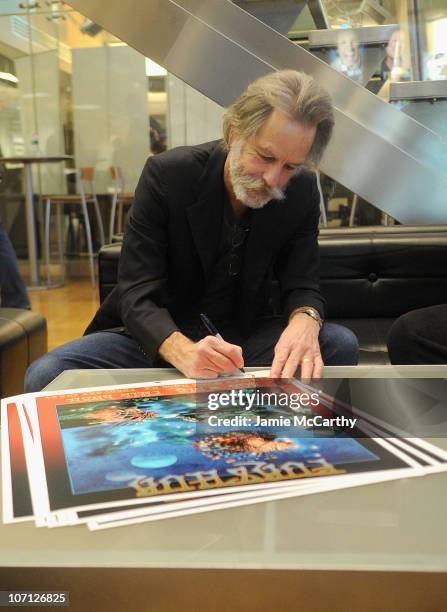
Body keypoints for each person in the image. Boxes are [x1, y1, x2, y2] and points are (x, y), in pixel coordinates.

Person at [25, 70, 358, 392]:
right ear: (234, 134)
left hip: (241, 340)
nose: (273, 179)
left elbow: (302, 284)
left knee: (338, 344)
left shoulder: (300, 191)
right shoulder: (169, 176)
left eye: (290, 166)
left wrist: (305, 320)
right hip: (157, 339)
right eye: (265, 156)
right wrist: (182, 351)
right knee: (48, 374)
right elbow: (137, 292)